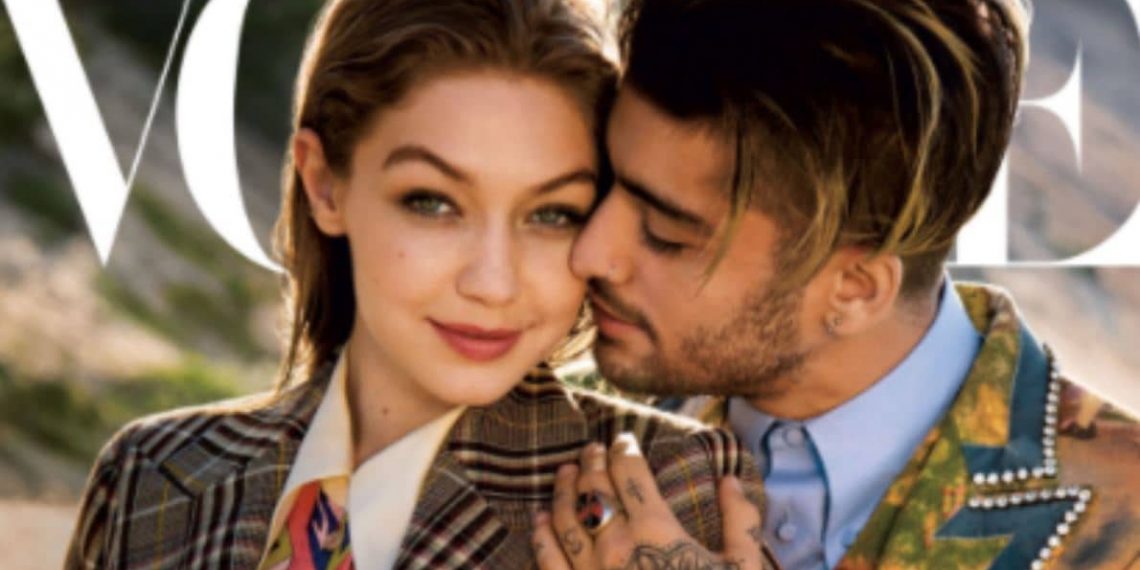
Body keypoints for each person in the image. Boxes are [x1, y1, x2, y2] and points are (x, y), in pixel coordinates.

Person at [63, 0, 780, 568]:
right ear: (325, 184)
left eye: (552, 214)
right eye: (432, 202)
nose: (494, 283)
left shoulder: (669, 486)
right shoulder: (151, 476)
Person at [533, 0, 1140, 568]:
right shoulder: (547, 428)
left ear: (855, 289)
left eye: (665, 233)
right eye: (606, 182)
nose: (590, 253)